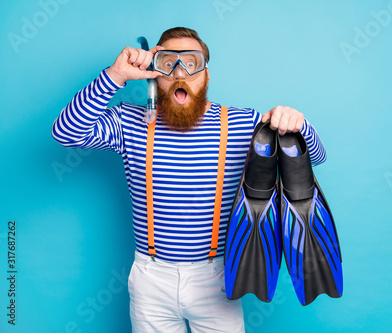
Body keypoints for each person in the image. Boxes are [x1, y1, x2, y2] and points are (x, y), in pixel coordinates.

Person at [52, 27, 326, 332]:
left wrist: (297, 123)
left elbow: (315, 156)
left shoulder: (242, 122)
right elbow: (66, 132)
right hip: (150, 279)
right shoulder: (128, 121)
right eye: (168, 63)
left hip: (217, 279)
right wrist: (115, 75)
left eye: (192, 63)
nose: (180, 72)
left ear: (206, 76)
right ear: (154, 74)